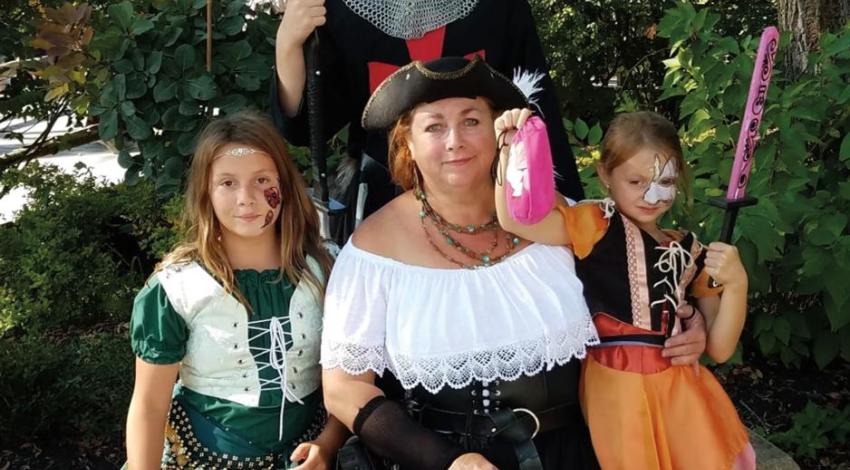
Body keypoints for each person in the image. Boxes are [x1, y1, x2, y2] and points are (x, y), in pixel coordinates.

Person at [319, 56, 709, 470]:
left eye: (471, 120)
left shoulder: (568, 223)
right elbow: (344, 389)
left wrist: (690, 326)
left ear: (498, 130)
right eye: (434, 126)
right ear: (407, 145)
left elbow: (649, 295)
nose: (455, 140)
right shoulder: (373, 251)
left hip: (590, 451)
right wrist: (447, 461)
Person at [495, 109, 757, 470]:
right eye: (636, 182)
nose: (652, 195)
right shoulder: (595, 225)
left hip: (681, 394)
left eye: (665, 182)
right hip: (618, 388)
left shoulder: (691, 250)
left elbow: (721, 348)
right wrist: (511, 149)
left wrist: (737, 284)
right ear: (605, 174)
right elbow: (515, 217)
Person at [125, 110, 348, 469]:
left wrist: (328, 443)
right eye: (227, 183)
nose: (246, 198)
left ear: (285, 187)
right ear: (205, 192)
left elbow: (351, 379)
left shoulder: (325, 272)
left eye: (262, 180)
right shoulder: (175, 288)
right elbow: (150, 406)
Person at [272, 0, 585, 237]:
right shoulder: (340, 10)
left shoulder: (498, 6)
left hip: (492, 201)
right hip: (383, 203)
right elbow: (307, 126)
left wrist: (565, 216)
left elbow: (533, 111)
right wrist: (288, 43)